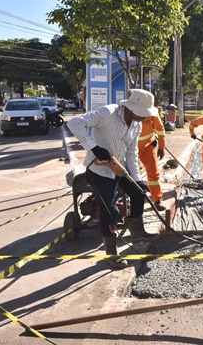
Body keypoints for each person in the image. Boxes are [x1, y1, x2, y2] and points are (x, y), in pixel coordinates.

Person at [67, 89, 159, 269]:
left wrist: (137, 179)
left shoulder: (136, 124)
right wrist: (93, 147)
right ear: (131, 108)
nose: (144, 117)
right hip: (99, 169)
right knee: (109, 210)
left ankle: (137, 232)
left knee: (138, 193)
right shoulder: (107, 113)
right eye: (142, 113)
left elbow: (132, 151)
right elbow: (75, 123)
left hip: (118, 167)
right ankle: (111, 254)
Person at [138, 109, 167, 211]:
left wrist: (161, 147)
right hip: (129, 147)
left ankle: (157, 200)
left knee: (153, 173)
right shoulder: (127, 111)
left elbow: (160, 129)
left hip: (148, 146)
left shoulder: (152, 113)